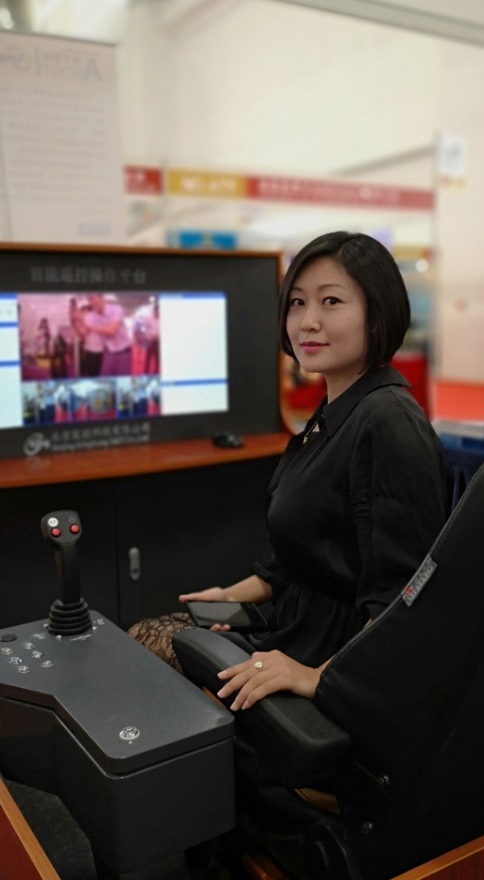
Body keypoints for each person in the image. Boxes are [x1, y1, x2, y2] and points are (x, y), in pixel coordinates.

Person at [128, 231, 448, 711]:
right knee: (146, 638)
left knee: (145, 650)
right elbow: (298, 560)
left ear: (377, 312)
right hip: (294, 623)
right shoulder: (337, 410)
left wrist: (315, 677)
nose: (307, 321)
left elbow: (404, 600)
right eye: (297, 303)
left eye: (331, 301)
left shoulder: (388, 423)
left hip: (336, 658)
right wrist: (228, 598)